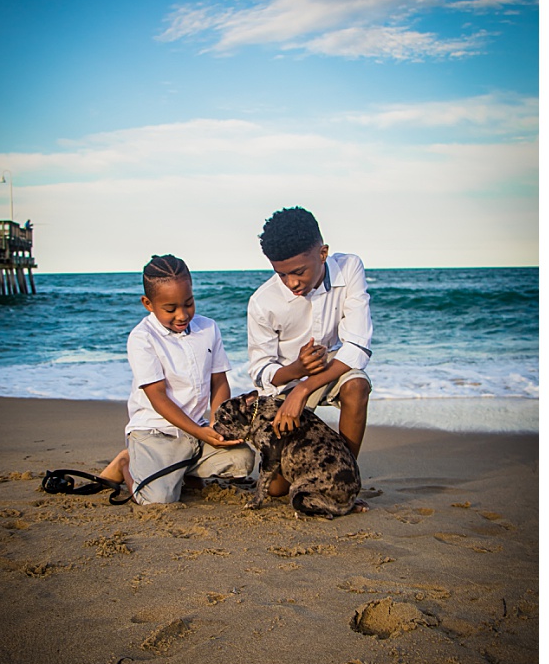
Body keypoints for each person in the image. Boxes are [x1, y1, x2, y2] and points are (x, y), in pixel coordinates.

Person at [100, 255, 255, 504]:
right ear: (148, 303)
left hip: (197, 429)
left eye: (189, 303)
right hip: (156, 432)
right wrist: (200, 433)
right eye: (170, 309)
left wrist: (216, 426)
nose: (182, 315)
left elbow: (219, 383)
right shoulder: (142, 338)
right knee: (157, 500)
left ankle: (182, 468)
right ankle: (126, 464)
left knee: (243, 460)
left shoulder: (208, 328)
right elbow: (158, 397)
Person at [246, 207, 373, 496]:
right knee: (277, 490)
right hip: (287, 379)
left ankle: (343, 483)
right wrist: (296, 373)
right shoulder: (262, 302)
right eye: (281, 274)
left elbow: (357, 345)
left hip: (327, 371)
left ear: (323, 253)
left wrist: (303, 390)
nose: (292, 283)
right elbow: (261, 371)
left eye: (299, 272)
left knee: (356, 386)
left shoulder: (350, 267)